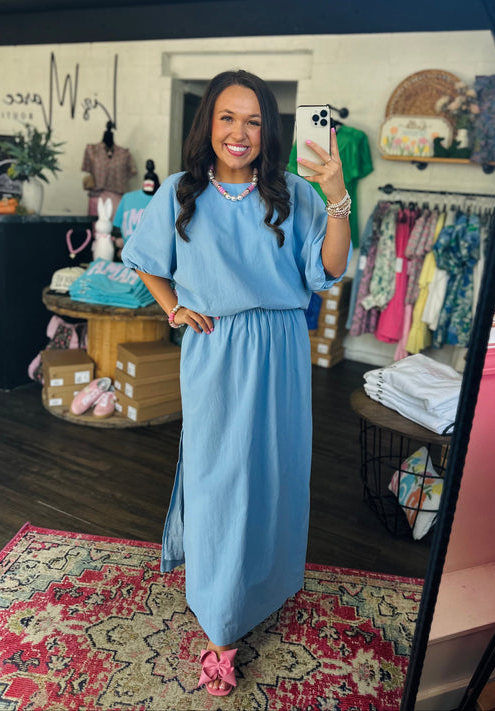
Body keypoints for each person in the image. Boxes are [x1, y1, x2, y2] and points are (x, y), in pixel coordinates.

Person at [121, 69, 352, 698]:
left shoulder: (295, 192)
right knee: (218, 475)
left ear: (268, 129)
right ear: (209, 123)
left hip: (281, 345)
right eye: (228, 117)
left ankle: (265, 584)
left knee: (275, 469)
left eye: (253, 120)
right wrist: (173, 307)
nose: (240, 132)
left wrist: (336, 195)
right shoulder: (180, 191)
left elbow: (328, 268)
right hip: (216, 347)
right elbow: (145, 259)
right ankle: (221, 623)